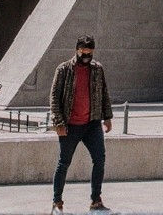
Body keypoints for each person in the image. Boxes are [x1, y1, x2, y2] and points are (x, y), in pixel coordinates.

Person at [49, 36, 114, 214]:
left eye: (89, 54)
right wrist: (59, 123)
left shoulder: (97, 69)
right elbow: (54, 98)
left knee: (99, 159)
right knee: (64, 163)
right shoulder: (64, 69)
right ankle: (57, 202)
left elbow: (104, 93)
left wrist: (107, 117)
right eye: (82, 53)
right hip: (70, 125)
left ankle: (96, 200)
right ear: (76, 50)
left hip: (92, 123)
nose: (85, 57)